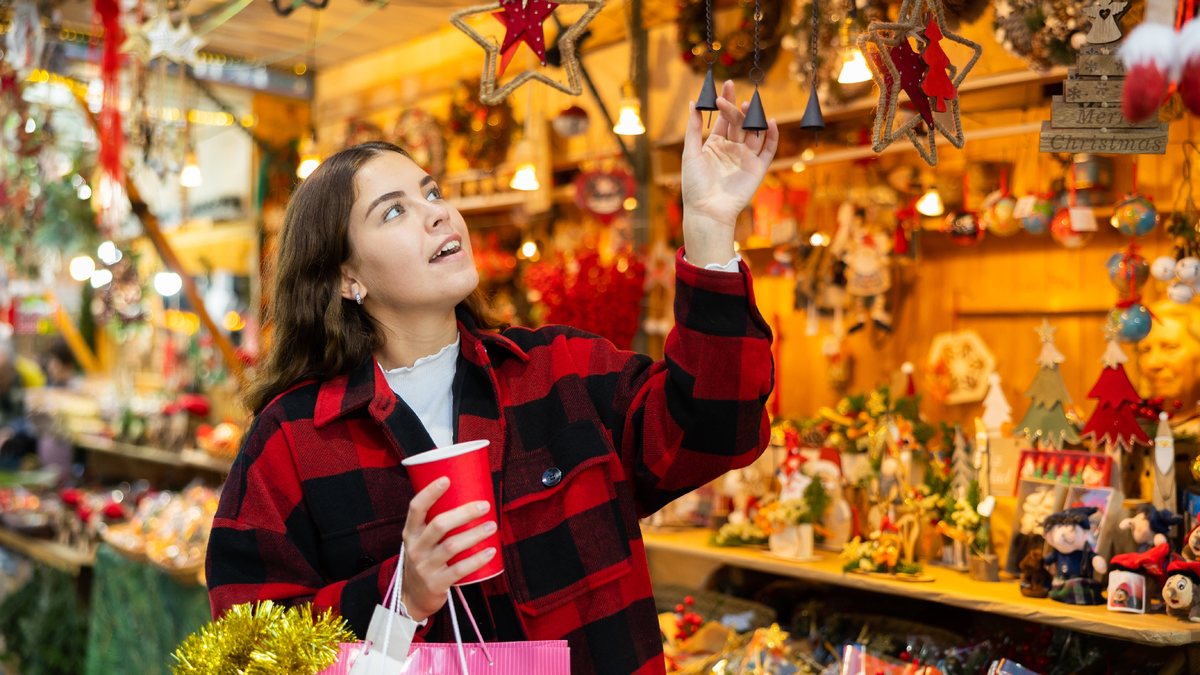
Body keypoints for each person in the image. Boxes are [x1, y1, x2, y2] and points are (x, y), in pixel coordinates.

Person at [206, 81, 778, 675]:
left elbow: (717, 428)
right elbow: (247, 650)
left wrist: (710, 229)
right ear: (346, 278)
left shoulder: (562, 372)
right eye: (394, 210)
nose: (436, 212)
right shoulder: (296, 439)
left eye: (431, 192)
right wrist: (400, 596)